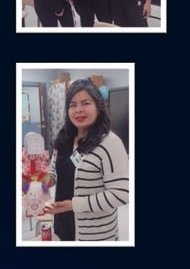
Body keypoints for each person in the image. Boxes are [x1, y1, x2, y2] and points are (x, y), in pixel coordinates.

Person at [44, 79, 129, 241]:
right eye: (73, 105)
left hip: (95, 234)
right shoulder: (64, 139)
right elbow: (54, 171)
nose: (79, 110)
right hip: (64, 224)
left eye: (85, 103)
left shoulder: (110, 142)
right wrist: (38, 181)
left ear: (99, 107)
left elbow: (121, 194)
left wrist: (73, 205)